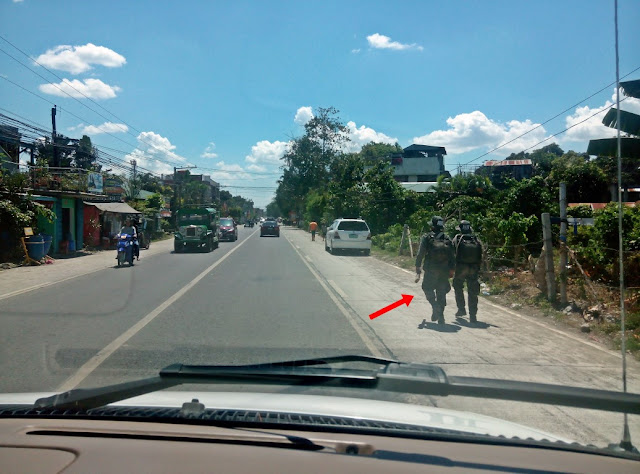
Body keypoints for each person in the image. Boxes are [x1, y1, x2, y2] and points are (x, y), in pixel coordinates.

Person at [415, 216, 455, 324]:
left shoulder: (427, 237)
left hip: (431, 270)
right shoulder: (447, 238)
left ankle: (435, 306)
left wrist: (417, 266)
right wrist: (452, 269)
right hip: (444, 270)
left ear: (432, 226)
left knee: (426, 288)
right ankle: (441, 316)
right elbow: (452, 255)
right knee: (441, 292)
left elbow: (420, 253)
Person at [452, 220, 483, 323]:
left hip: (461, 268)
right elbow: (481, 255)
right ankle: (473, 315)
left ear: (460, 229)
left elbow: (452, 253)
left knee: (458, 286)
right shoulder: (476, 239)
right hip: (473, 268)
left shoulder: (457, 238)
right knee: (472, 291)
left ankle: (461, 309)